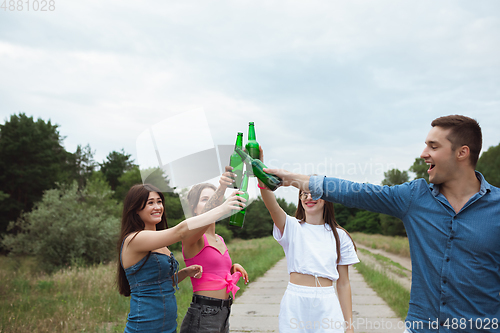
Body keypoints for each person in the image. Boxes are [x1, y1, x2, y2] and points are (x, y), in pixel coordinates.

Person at [264, 115, 500, 333]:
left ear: (462, 152)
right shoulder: (414, 197)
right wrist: (292, 179)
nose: (424, 153)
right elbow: (359, 192)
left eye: (434, 146)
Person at [117, 183, 246, 333]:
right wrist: (222, 209)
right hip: (144, 325)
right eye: (150, 203)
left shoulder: (160, 244)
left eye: (159, 201)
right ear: (135, 209)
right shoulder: (134, 240)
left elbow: (161, 284)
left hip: (168, 324)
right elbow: (180, 232)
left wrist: (184, 273)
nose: (157, 207)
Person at [258, 147, 359, 333]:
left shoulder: (340, 236)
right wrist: (261, 173)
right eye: (304, 193)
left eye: (313, 192)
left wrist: (349, 325)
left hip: (327, 302)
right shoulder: (292, 226)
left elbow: (344, 283)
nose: (308, 197)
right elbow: (272, 207)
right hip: (295, 301)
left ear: (326, 199)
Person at [180, 167, 249, 333]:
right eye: (205, 199)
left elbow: (213, 268)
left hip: (223, 314)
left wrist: (231, 268)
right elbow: (208, 213)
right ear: (194, 207)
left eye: (216, 199)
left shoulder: (220, 239)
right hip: (203, 315)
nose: (214, 203)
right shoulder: (192, 237)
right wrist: (222, 187)